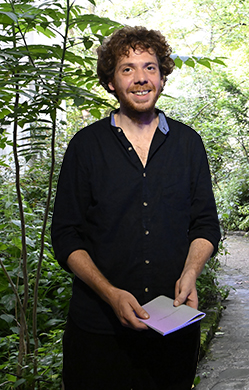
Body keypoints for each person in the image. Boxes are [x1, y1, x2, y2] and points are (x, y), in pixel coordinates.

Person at [51, 26, 221, 389]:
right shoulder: (86, 146)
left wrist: (191, 272)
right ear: (111, 82)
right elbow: (65, 237)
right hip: (97, 332)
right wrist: (111, 294)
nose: (141, 78)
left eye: (150, 67)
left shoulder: (188, 144)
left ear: (162, 77)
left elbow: (205, 224)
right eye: (127, 69)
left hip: (173, 326)